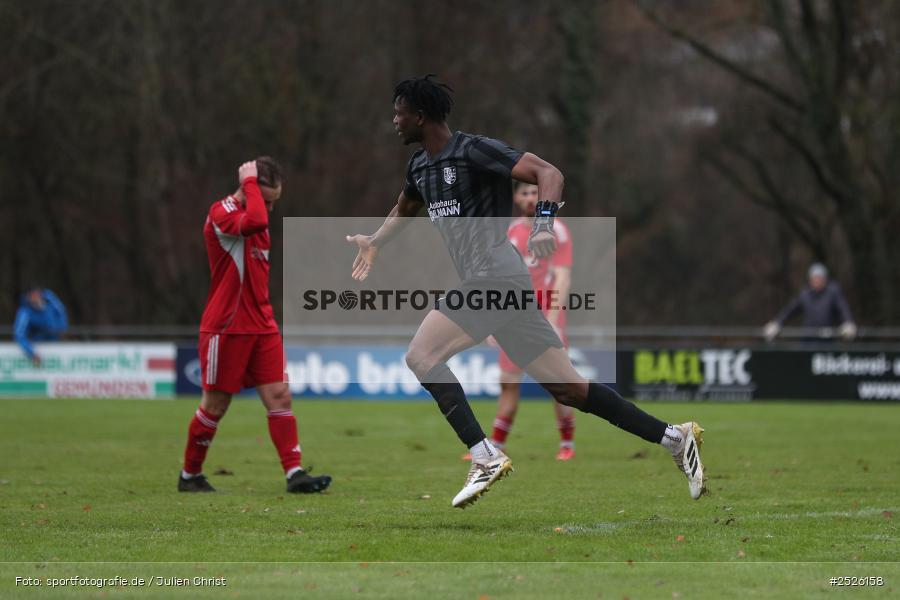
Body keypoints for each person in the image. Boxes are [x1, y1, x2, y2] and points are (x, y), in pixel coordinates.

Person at [346, 75, 706, 508]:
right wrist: (376, 241)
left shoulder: (474, 150)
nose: (394, 120)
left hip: (495, 277)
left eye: (399, 112)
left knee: (421, 356)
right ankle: (673, 437)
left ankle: (484, 456)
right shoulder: (419, 167)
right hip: (506, 287)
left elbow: (548, 173)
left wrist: (543, 223)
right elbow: (405, 208)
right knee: (570, 390)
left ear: (420, 116)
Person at [178, 158, 332, 494]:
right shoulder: (222, 212)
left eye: (276, 200)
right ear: (249, 189)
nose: (272, 208)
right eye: (268, 198)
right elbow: (257, 218)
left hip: (262, 324)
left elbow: (259, 217)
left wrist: (256, 191)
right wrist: (249, 183)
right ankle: (190, 475)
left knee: (280, 396)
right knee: (216, 405)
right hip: (227, 326)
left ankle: (294, 474)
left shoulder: (255, 215)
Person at [464, 182, 577, 461]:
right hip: (512, 315)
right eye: (524, 193)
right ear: (515, 197)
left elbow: (562, 277)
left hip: (545, 317)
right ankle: (498, 444)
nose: (529, 198)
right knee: (509, 382)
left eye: (535, 193)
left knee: (558, 383)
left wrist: (552, 318)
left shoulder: (556, 230)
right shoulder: (509, 231)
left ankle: (567, 444)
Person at [764, 263, 857, 341]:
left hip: (827, 339)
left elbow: (843, 308)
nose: (817, 281)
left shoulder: (833, 292)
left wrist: (848, 322)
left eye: (820, 278)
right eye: (814, 278)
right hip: (808, 339)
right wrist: (777, 323)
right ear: (810, 280)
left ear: (825, 279)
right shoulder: (805, 294)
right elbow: (790, 310)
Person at [14, 286, 68, 366]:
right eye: (33, 295)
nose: (36, 297)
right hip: (37, 346)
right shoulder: (25, 312)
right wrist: (32, 353)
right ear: (28, 297)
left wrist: (63, 328)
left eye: (38, 294)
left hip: (55, 346)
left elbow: (61, 313)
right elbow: (19, 335)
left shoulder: (50, 303)